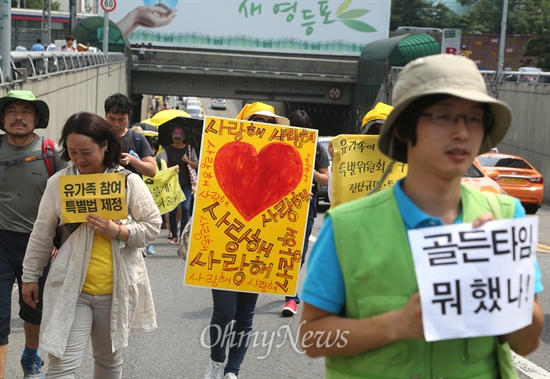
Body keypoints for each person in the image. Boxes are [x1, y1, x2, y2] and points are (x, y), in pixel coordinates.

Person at [300, 54, 544, 377]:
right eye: (443, 116)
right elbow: (313, 338)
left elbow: (526, 343)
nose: (461, 133)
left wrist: (504, 280)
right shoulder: (347, 228)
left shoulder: (504, 217)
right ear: (402, 129)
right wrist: (395, 325)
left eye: (474, 118)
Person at [21, 112, 161, 378]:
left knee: (108, 364)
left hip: (116, 290)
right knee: (61, 365)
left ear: (105, 144)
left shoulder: (128, 182)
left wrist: (118, 230)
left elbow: (153, 226)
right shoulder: (58, 184)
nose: (79, 159)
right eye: (72, 152)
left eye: (86, 151)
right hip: (72, 290)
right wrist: (30, 276)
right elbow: (41, 234)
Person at [203, 102, 289, 379]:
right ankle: (217, 362)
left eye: (269, 122)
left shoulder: (277, 165)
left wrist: (300, 198)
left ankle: (233, 371)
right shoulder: (226, 153)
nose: (263, 126)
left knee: (245, 316)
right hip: (223, 246)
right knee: (225, 311)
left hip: (257, 251)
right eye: (257, 121)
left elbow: (284, 205)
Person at [0, 90, 70, 379]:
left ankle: (31, 355)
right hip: (1, 241)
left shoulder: (52, 153)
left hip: (40, 244)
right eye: (12, 111)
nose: (18, 116)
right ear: (3, 119)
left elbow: (70, 202)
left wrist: (61, 242)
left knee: (34, 311)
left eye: (26, 111)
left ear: (37, 118)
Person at [281, 110, 329, 317]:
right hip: (278, 205)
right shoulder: (279, 145)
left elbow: (325, 180)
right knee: (277, 249)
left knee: (297, 252)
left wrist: (310, 170)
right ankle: (283, 290)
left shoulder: (317, 148)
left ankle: (291, 296)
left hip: (305, 206)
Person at [104, 93, 157, 178]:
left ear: (128, 116)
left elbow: (152, 171)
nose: (116, 124)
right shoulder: (97, 137)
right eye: (112, 119)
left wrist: (132, 160)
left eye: (121, 119)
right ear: (106, 115)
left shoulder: (137, 139)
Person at [163, 127, 198, 244]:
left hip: (186, 184)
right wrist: (171, 169)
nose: (176, 140)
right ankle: (174, 235)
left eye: (179, 138)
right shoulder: (167, 150)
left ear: (183, 138)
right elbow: (162, 165)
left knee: (186, 208)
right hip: (172, 184)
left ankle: (183, 235)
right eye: (174, 138)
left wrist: (188, 161)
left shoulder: (189, 149)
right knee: (172, 210)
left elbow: (196, 165)